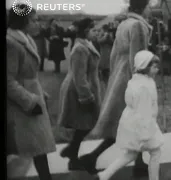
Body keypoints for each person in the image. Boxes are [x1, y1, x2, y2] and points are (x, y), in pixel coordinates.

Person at [79, 0, 153, 177]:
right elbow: (138, 59)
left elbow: (114, 54)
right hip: (130, 80)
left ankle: (139, 163)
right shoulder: (138, 26)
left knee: (129, 124)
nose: (150, 9)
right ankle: (94, 156)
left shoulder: (124, 24)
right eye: (148, 5)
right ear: (142, 7)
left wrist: (114, 76)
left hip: (120, 77)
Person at [94, 50, 164, 180]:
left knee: (130, 154)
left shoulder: (137, 80)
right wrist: (145, 133)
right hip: (143, 126)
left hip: (132, 123)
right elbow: (144, 111)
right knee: (155, 152)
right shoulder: (144, 86)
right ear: (145, 67)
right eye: (154, 67)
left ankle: (103, 175)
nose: (157, 69)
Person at [7, 4, 56, 180]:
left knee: (38, 148)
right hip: (21, 105)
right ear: (24, 21)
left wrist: (41, 92)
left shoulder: (25, 38)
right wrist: (29, 101)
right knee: (28, 149)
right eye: (34, 20)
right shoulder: (11, 42)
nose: (38, 24)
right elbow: (8, 80)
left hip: (31, 100)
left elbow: (29, 74)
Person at [57, 18, 101, 171]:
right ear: (86, 31)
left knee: (86, 124)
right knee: (84, 123)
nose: (97, 33)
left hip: (84, 86)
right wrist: (86, 96)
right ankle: (73, 156)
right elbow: (79, 76)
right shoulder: (80, 49)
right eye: (94, 30)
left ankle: (72, 152)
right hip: (78, 90)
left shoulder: (86, 45)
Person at [97, 24, 114, 92]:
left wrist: (106, 36)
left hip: (107, 55)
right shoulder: (105, 35)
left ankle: (107, 86)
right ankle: (106, 85)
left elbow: (111, 42)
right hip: (104, 55)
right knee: (104, 71)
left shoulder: (108, 35)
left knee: (106, 71)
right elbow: (100, 41)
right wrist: (105, 35)